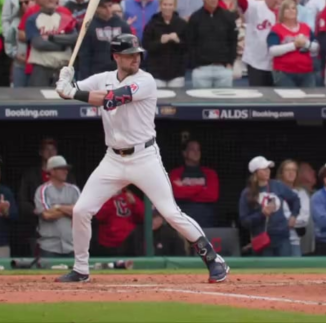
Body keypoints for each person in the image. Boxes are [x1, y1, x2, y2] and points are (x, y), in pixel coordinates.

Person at [54, 34, 229, 283]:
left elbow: (111, 100)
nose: (135, 58)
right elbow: (72, 90)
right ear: (116, 57)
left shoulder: (145, 81)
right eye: (129, 54)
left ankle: (214, 259)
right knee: (82, 210)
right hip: (113, 159)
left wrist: (71, 92)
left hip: (144, 156)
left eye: (137, 54)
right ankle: (81, 269)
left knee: (170, 212)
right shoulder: (102, 78)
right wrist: (63, 81)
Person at [239, 156, 301, 257]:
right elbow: (244, 221)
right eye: (264, 169)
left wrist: (293, 215)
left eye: (268, 168)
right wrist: (262, 214)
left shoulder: (277, 185)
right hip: (262, 239)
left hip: (282, 237)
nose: (268, 171)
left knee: (286, 269)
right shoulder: (247, 193)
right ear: (256, 172)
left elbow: (295, 199)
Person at [186, 0, 238, 88]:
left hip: (223, 69)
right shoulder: (195, 18)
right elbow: (189, 43)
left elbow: (233, 41)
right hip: (201, 69)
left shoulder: (228, 17)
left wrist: (230, 62)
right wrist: (195, 64)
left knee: (224, 103)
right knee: (201, 103)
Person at [238, 0, 282, 86]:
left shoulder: (284, 10)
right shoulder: (255, 6)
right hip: (256, 61)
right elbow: (241, 1)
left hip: (276, 64)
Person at [77, 0, 131, 81]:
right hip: (96, 72)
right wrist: (84, 78)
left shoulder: (122, 25)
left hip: (118, 71)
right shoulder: (89, 26)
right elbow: (85, 54)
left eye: (110, 6)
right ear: (97, 8)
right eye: (104, 7)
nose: (108, 10)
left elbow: (129, 50)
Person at [34, 155, 79, 258]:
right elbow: (46, 215)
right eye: (61, 169)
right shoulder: (43, 190)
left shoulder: (74, 190)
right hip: (49, 246)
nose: (65, 171)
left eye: (66, 169)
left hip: (71, 245)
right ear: (52, 171)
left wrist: (57, 207)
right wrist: (69, 209)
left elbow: (80, 212)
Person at [267, 0, 318, 88]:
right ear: (282, 12)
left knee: (309, 100)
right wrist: (294, 45)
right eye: (287, 8)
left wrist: (305, 43)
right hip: (284, 72)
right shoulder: (276, 29)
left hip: (306, 72)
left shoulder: (305, 27)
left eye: (293, 8)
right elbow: (272, 50)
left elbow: (316, 47)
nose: (291, 11)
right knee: (289, 100)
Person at [168, 140, 219, 230]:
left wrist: (185, 187)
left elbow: (212, 196)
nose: (196, 152)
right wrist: (201, 188)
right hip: (182, 223)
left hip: (205, 224)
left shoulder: (210, 173)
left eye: (198, 150)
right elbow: (177, 193)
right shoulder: (175, 173)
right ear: (184, 153)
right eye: (192, 149)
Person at [142, 0, 187, 87]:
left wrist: (178, 41)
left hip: (177, 73)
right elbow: (145, 45)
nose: (167, 7)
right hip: (156, 73)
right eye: (165, 4)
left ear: (174, 6)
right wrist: (160, 42)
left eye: (170, 5)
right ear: (160, 6)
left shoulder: (182, 24)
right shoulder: (152, 24)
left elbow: (188, 46)